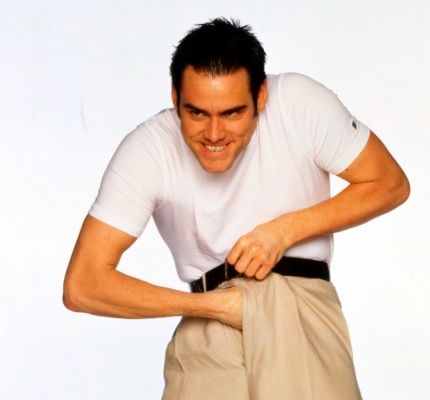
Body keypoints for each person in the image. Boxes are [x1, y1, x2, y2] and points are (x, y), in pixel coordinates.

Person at [63, 18, 410, 400]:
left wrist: (283, 231)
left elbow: (389, 183)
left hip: (299, 308)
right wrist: (212, 306)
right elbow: (83, 285)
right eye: (197, 113)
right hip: (210, 315)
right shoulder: (149, 148)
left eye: (232, 113)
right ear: (175, 97)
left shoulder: (298, 103)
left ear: (261, 96)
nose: (214, 134)